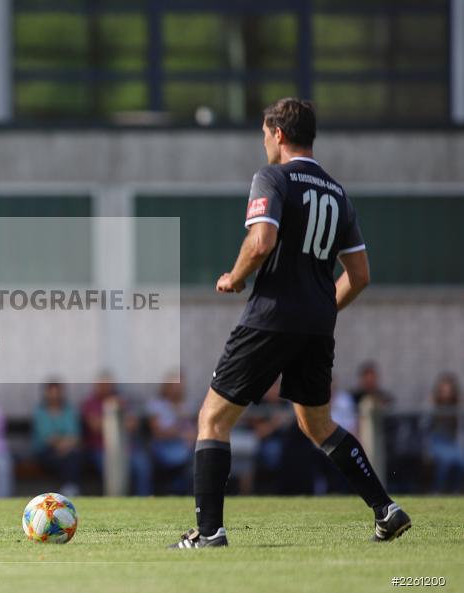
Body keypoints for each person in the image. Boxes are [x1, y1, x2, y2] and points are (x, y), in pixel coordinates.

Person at [170, 98, 411, 549]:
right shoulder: (338, 193)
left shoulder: (273, 177)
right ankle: (386, 508)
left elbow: (261, 241)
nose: (264, 142)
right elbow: (360, 276)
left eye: (265, 134)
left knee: (213, 418)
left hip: (271, 316)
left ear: (278, 133)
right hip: (317, 325)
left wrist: (234, 277)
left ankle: (209, 533)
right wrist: (320, 309)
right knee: (317, 424)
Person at [81, 373, 152, 496]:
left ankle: (143, 498)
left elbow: (133, 425)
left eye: (108, 385)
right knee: (110, 469)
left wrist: (118, 410)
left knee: (142, 465)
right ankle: (113, 497)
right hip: (101, 449)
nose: (105, 388)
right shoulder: (90, 403)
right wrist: (111, 412)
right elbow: (95, 427)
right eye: (102, 385)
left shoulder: (121, 401)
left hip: (126, 449)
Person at [145, 376, 195, 494]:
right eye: (173, 386)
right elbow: (157, 433)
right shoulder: (156, 405)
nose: (176, 390)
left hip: (186, 447)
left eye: (179, 387)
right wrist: (180, 433)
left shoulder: (186, 406)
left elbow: (193, 430)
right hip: (163, 447)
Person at [32, 381, 82, 498]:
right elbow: (46, 436)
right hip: (46, 451)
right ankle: (69, 489)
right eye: (51, 393)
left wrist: (65, 444)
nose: (54, 396)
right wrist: (61, 443)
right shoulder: (40, 411)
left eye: (57, 393)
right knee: (66, 458)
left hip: (69, 449)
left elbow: (74, 434)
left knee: (73, 456)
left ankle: (69, 489)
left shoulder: (69, 410)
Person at [427, 372, 463, 493]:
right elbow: (427, 426)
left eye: (449, 390)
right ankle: (439, 489)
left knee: (461, 461)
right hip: (437, 441)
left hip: (451, 442)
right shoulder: (434, 404)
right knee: (445, 462)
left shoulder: (456, 405)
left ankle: (456, 490)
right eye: (443, 390)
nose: (446, 393)